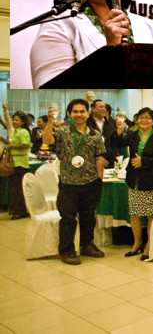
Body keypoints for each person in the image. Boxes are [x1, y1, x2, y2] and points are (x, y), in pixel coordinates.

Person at [43, 99, 107, 265]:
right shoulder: (63, 131)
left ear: (88, 113)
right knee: (68, 218)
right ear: (69, 114)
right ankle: (67, 251)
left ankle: (86, 245)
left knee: (88, 217)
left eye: (82, 111)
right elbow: (48, 140)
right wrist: (50, 121)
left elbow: (99, 158)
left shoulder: (95, 135)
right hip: (68, 182)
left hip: (90, 181)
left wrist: (99, 180)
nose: (79, 115)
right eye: (75, 112)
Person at [111, 107, 153, 261]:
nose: (144, 120)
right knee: (135, 214)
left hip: (152, 180)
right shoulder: (132, 135)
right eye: (141, 117)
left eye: (148, 118)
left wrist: (143, 161)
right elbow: (116, 143)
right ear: (137, 120)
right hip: (135, 180)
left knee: (151, 215)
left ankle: (149, 245)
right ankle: (137, 243)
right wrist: (118, 129)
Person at [0, 110, 31, 219]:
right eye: (13, 119)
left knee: (18, 188)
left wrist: (12, 146)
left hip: (20, 164)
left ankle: (21, 211)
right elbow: (14, 144)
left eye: (17, 120)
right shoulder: (16, 131)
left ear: (23, 122)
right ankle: (18, 209)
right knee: (13, 188)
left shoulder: (23, 132)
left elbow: (26, 145)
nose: (14, 122)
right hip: (14, 162)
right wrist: (5, 141)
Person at [86, 99, 116, 165]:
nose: (104, 109)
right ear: (93, 109)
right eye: (101, 107)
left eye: (104, 107)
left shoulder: (110, 124)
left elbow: (113, 142)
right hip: (90, 161)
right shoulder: (87, 123)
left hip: (108, 160)